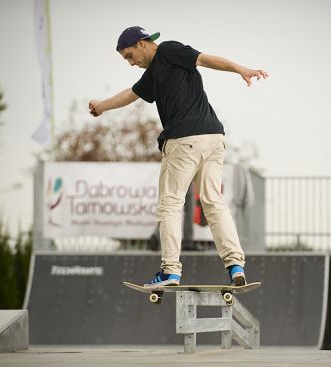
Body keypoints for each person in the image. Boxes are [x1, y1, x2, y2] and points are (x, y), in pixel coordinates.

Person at [88, 26, 268, 287]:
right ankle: (235, 265)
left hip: (184, 141)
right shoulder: (153, 76)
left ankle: (170, 271)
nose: (131, 63)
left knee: (170, 204)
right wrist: (102, 106)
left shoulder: (169, 50)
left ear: (142, 43)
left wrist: (241, 69)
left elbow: (205, 59)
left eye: (129, 56)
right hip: (213, 138)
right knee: (213, 201)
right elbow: (131, 93)